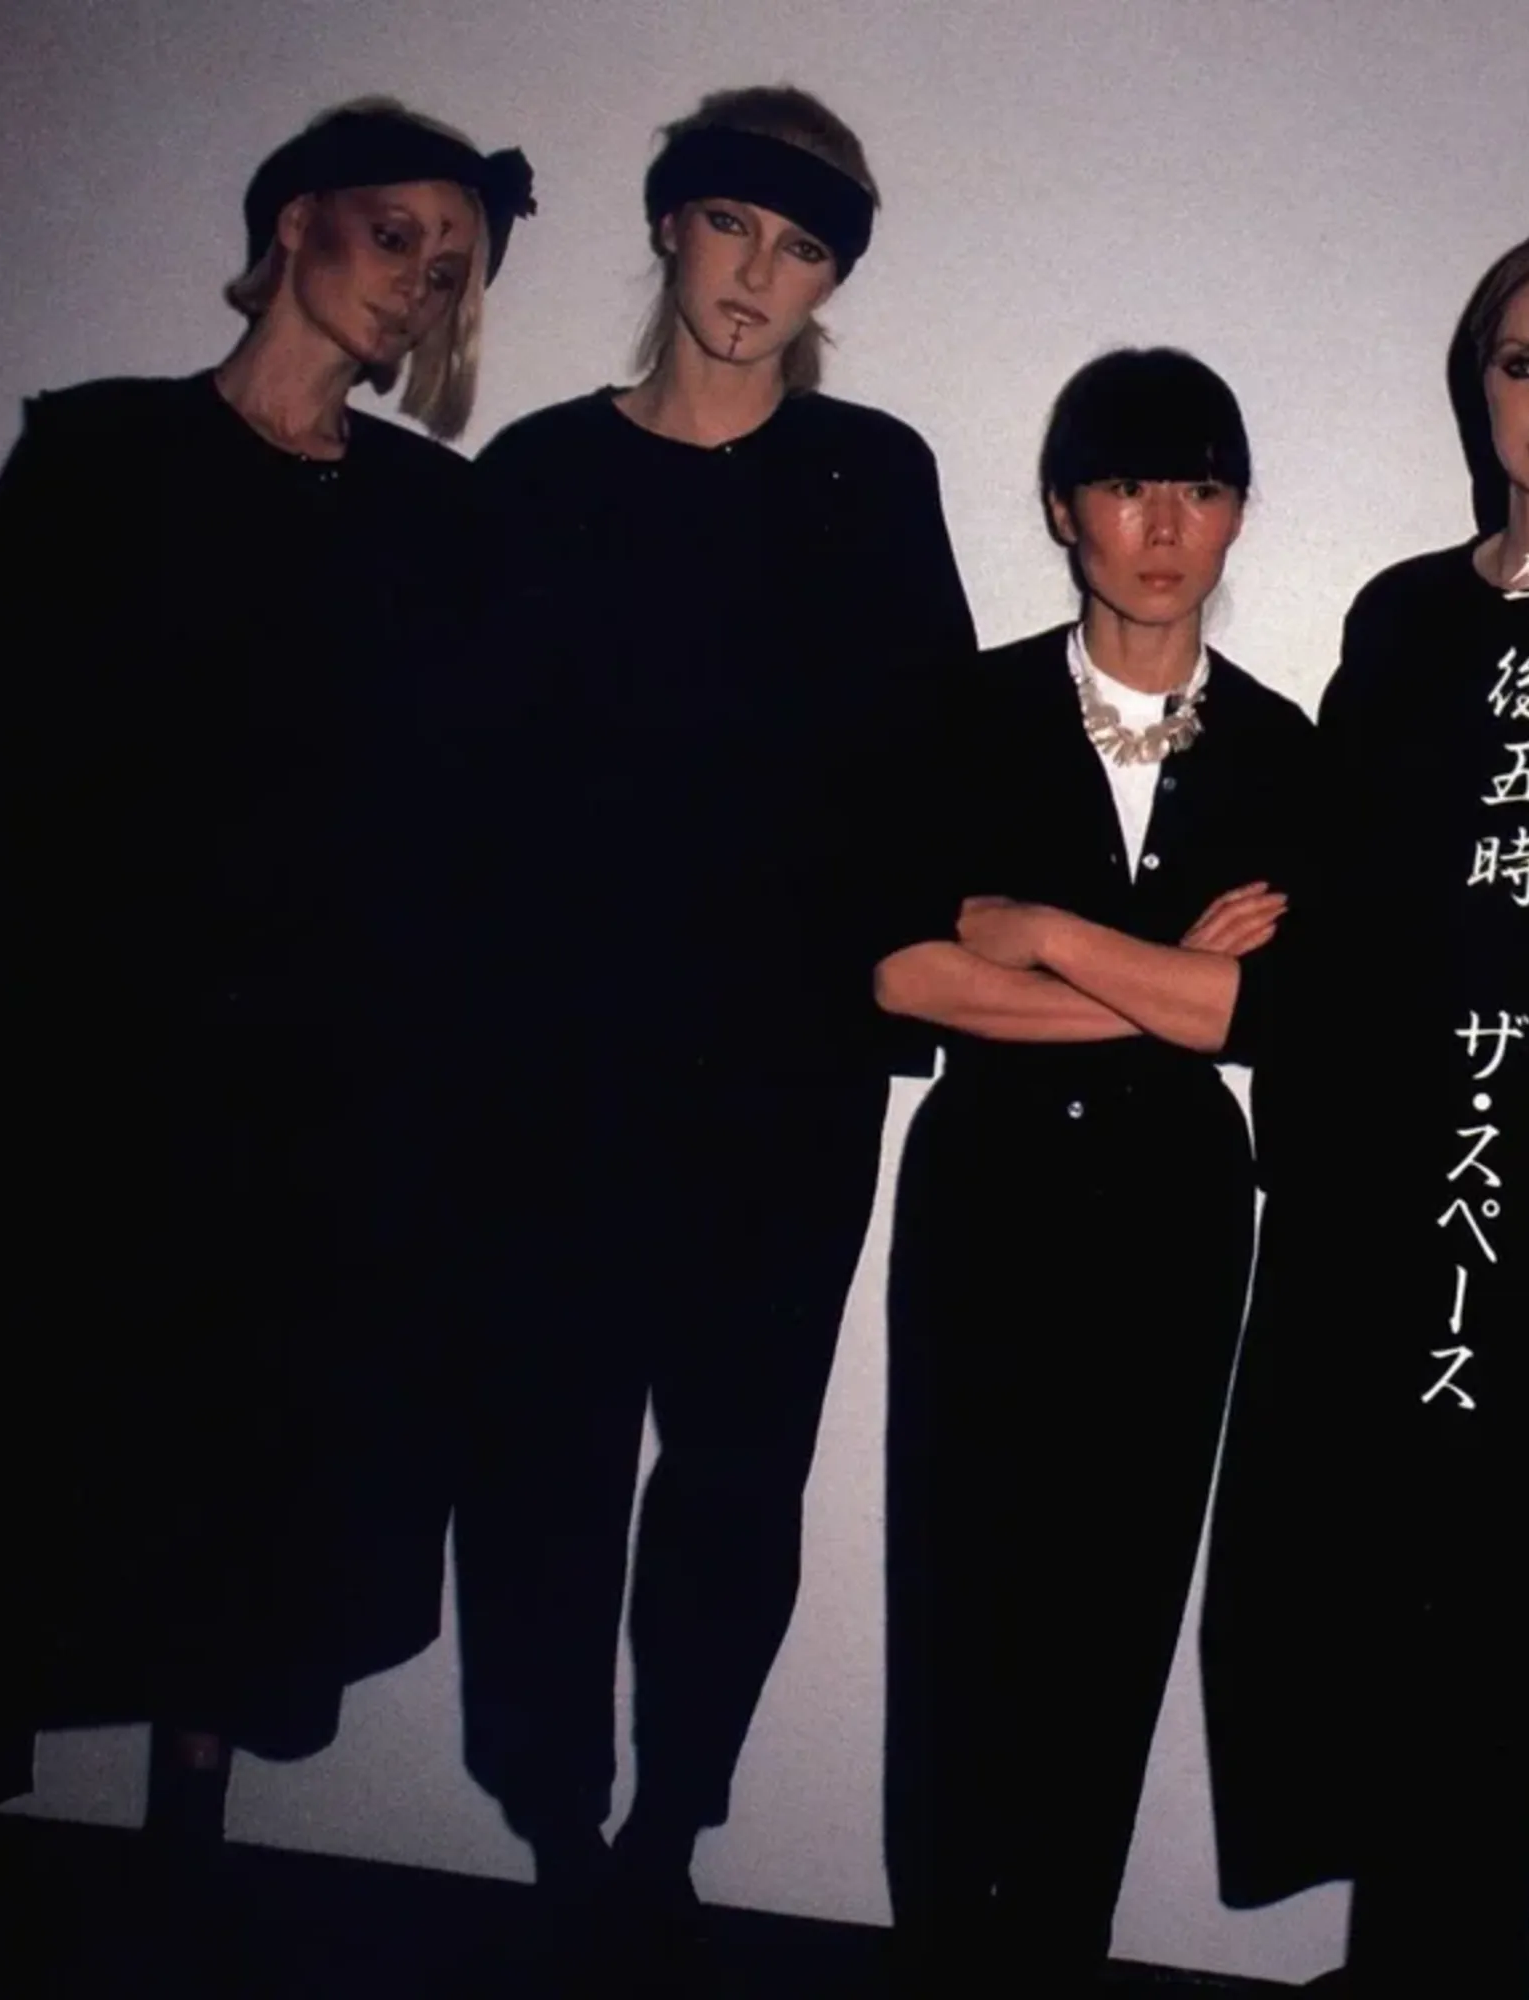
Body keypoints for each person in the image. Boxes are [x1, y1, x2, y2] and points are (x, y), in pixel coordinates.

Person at [0, 99, 535, 1853]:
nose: (415, 283)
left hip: (315, 1089)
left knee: (251, 1473)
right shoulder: (100, 450)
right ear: (296, 221)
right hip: (98, 1067)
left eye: (447, 268)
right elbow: (7, 731)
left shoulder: (432, 510)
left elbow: (466, 797)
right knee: (25, 1448)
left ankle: (189, 1855)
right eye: (394, 235)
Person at [1199, 222, 1529, 2000]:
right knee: (1385, 1626)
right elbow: (1350, 907)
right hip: (1386, 1203)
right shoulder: (1410, 615)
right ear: (1481, 388)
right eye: (1526, 363)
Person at [455, 82, 974, 1933]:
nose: (759, 275)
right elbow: (462, 782)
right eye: (735, 225)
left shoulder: (868, 474)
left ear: (833, 278)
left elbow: (930, 763)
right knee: (542, 1457)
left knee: (737, 1469)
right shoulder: (536, 475)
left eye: (804, 247)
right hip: (556, 1065)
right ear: (671, 223)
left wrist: (916, 977)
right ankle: (553, 1826)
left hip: (781, 1072)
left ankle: (670, 1830)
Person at [874, 347, 1314, 1996]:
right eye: (1129, 485)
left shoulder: (1278, 745)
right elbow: (905, 972)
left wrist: (1053, 934)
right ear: (1065, 509)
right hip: (986, 1195)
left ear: (1239, 513)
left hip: (1179, 1222)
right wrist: (1163, 984)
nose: (1165, 527)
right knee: (957, 1603)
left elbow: (1267, 1017)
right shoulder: (968, 709)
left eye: (1200, 487)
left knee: (1118, 1614)